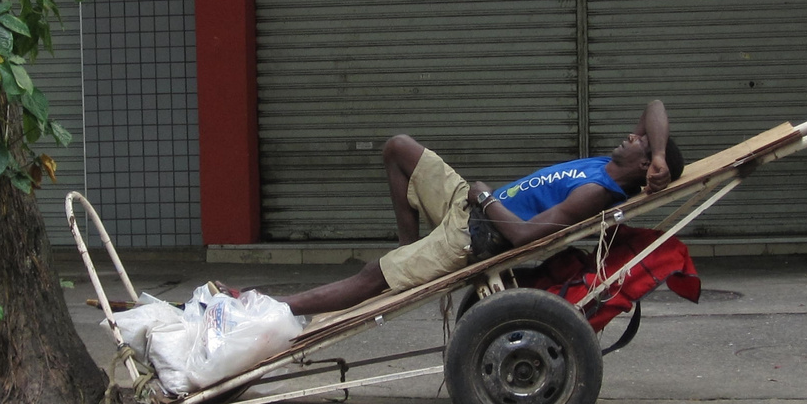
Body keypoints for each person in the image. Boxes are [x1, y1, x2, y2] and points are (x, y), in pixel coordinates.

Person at [276, 100, 683, 316]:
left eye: (640, 143)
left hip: (474, 234)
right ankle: (405, 249)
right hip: (467, 207)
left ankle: (278, 306)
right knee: (398, 147)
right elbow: (655, 106)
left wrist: (486, 196)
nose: (632, 135)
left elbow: (523, 236)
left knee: (372, 277)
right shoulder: (610, 164)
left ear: (642, 166)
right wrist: (660, 152)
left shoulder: (598, 190)